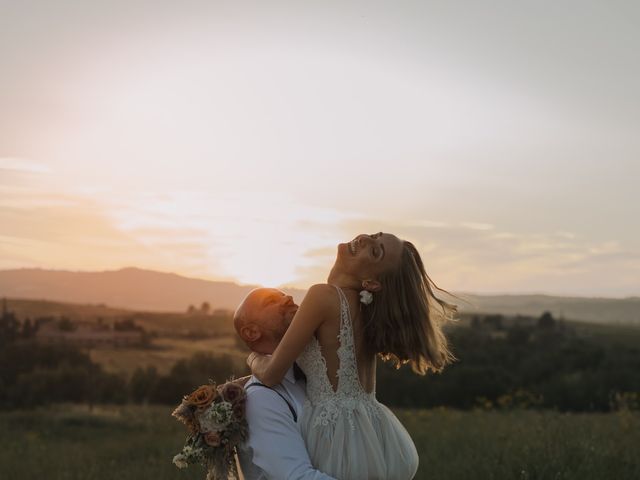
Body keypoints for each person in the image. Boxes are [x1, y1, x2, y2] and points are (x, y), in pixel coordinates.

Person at [247, 232, 458, 480]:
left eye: (376, 251)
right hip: (374, 432)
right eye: (375, 235)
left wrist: (252, 358)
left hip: (336, 435)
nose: (366, 239)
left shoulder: (322, 296)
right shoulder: (365, 310)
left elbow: (272, 374)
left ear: (371, 283)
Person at [234, 287, 338, 480]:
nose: (288, 298)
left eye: (284, 295)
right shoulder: (261, 398)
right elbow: (298, 477)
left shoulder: (315, 378)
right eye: (271, 301)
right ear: (252, 332)